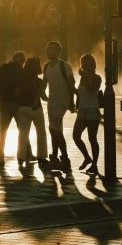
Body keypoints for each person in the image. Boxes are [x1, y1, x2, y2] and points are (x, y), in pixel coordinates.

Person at [42, 41, 76, 171]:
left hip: (62, 102)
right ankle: (56, 157)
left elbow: (71, 83)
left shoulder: (64, 66)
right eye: (47, 49)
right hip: (52, 103)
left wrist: (71, 102)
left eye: (51, 50)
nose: (48, 52)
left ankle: (64, 158)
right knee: (55, 130)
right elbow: (45, 82)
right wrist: (42, 94)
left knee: (54, 129)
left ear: (58, 52)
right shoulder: (46, 66)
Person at [0, 51, 31, 166]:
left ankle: (0, 157)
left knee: (2, 130)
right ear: (21, 61)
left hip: (4, 104)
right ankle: (26, 154)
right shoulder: (22, 71)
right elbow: (23, 88)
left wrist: (2, 97)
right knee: (23, 130)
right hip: (17, 105)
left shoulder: (3, 68)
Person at [16, 57, 50, 172]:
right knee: (41, 133)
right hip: (36, 109)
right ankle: (42, 156)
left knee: (23, 134)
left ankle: (21, 158)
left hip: (23, 108)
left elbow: (18, 94)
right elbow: (43, 97)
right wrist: (52, 99)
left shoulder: (21, 80)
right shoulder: (39, 81)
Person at [72, 54, 102, 174]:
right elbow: (80, 94)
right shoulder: (82, 78)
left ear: (92, 64)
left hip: (93, 111)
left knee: (92, 138)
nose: (83, 65)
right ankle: (87, 157)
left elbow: (90, 90)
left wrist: (88, 76)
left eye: (85, 63)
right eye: (82, 63)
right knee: (76, 136)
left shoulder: (96, 78)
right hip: (82, 111)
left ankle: (94, 164)